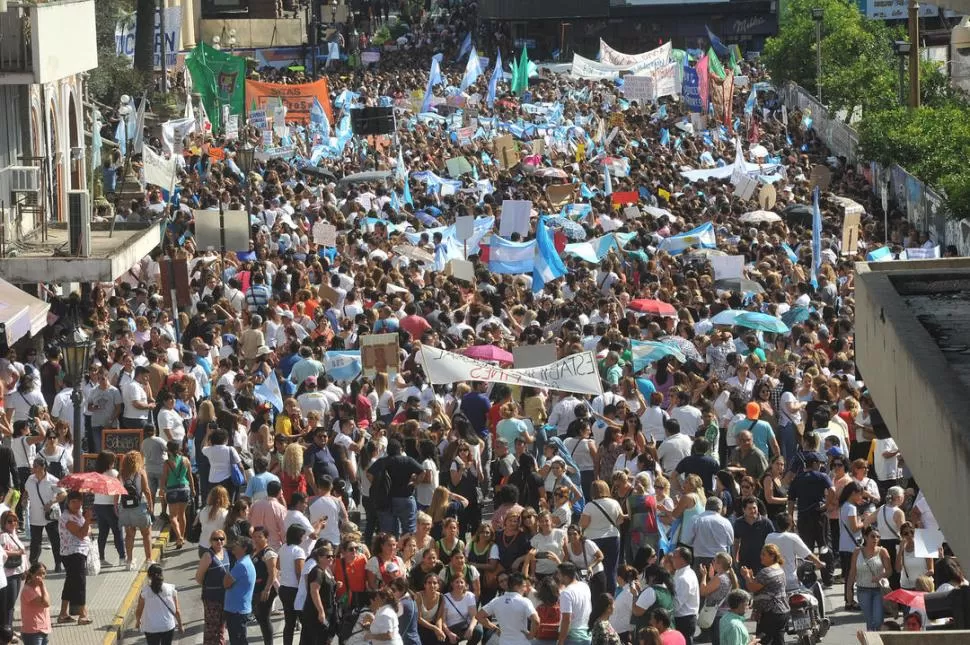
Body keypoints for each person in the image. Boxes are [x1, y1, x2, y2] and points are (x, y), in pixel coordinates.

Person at [580, 480, 625, 594]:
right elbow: (620, 520)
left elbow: (583, 524)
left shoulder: (589, 506)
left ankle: (598, 593)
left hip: (593, 539)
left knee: (596, 568)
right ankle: (611, 594)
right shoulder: (614, 503)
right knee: (611, 569)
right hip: (612, 536)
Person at [740, 544, 789, 645]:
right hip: (782, 611)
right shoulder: (778, 568)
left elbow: (752, 587)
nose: (761, 557)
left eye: (764, 554)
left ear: (772, 556)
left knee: (761, 641)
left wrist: (746, 576)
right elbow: (762, 585)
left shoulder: (766, 572)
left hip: (770, 613)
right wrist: (752, 577)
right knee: (778, 641)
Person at [56, 491, 92, 625]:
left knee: (70, 582)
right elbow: (82, 533)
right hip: (72, 553)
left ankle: (63, 613)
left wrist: (86, 524)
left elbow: (88, 531)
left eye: (79, 501)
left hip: (80, 551)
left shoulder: (79, 514)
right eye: (73, 502)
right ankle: (82, 614)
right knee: (80, 583)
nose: (76, 504)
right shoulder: (66, 517)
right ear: (68, 503)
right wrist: (87, 521)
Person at [764, 513, 825, 590]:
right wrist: (819, 563)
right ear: (790, 524)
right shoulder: (792, 537)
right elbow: (808, 554)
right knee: (809, 593)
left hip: (772, 580)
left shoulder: (769, 537)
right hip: (790, 581)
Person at [847, 526, 891, 632]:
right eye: (872, 536)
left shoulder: (883, 551)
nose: (875, 539)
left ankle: (877, 638)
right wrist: (849, 590)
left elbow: (889, 571)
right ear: (865, 537)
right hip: (862, 590)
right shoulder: (857, 552)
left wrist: (879, 577)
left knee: (878, 620)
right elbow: (852, 572)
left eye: (878, 537)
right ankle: (871, 638)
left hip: (879, 590)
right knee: (870, 621)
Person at [24, 458, 64, 572]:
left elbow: (63, 494)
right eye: (33, 466)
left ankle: (58, 563)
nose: (33, 468)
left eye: (35, 466)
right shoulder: (30, 479)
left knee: (55, 541)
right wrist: (24, 499)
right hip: (35, 516)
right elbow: (26, 491)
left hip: (50, 516)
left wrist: (51, 502)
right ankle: (33, 565)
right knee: (35, 542)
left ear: (43, 467)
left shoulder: (52, 480)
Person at [476, 572, 539, 645]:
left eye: (506, 580)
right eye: (524, 586)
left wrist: (495, 629)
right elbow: (536, 620)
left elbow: (479, 616)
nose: (525, 589)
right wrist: (531, 635)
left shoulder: (496, 601)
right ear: (516, 586)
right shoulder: (525, 601)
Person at [118, 450, 154, 571]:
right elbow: (146, 490)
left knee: (129, 535)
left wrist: (115, 506)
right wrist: (151, 505)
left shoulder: (121, 474)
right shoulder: (141, 472)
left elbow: (117, 491)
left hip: (125, 508)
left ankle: (129, 562)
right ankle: (149, 560)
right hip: (139, 506)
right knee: (146, 534)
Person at [194, 529, 231, 645]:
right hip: (211, 598)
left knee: (221, 626)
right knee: (212, 628)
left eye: (221, 539)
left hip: (225, 596)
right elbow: (199, 578)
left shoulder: (226, 553)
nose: (219, 541)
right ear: (211, 541)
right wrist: (210, 586)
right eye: (216, 539)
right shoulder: (207, 556)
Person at [135, 563, 183, 645]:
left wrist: (138, 622)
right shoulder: (171, 589)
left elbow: (139, 610)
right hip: (167, 626)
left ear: (149, 576)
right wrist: (180, 625)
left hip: (151, 627)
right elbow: (177, 611)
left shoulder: (145, 592)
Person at [92, 451, 126, 566]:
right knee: (117, 532)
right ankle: (122, 557)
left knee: (102, 533)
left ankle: (101, 558)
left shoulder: (96, 474)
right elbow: (119, 490)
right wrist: (116, 505)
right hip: (110, 505)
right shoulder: (114, 473)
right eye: (113, 461)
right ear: (109, 463)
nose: (114, 463)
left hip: (98, 504)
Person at [300, 543, 338, 645]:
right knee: (317, 639)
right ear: (320, 558)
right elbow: (314, 592)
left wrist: (336, 585)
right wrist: (321, 612)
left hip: (327, 610)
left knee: (324, 639)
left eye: (332, 556)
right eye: (328, 556)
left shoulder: (326, 570)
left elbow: (325, 588)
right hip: (315, 613)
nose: (331, 558)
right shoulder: (317, 572)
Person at [697, 553, 738, 645]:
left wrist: (704, 575)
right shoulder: (728, 576)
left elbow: (703, 591)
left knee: (717, 641)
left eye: (714, 561)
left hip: (717, 615)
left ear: (719, 564)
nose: (712, 562)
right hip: (726, 613)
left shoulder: (719, 578)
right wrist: (712, 577)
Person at [160, 439, 194, 549]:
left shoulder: (167, 463)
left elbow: (164, 477)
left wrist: (161, 489)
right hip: (184, 489)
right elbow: (190, 476)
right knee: (182, 514)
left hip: (172, 490)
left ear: (168, 450)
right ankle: (182, 537)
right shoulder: (185, 460)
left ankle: (179, 537)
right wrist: (193, 489)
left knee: (173, 516)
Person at [224, 536, 257, 645]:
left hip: (237, 611)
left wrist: (226, 571)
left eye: (237, 544)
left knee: (238, 641)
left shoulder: (241, 565)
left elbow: (226, 583)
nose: (234, 546)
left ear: (244, 548)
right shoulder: (243, 562)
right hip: (238, 609)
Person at [278, 525, 307, 645]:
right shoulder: (298, 551)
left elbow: (278, 565)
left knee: (289, 623)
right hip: (295, 590)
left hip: (284, 588)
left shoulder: (283, 547)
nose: (304, 538)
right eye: (302, 536)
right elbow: (300, 572)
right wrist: (304, 591)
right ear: (298, 536)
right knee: (305, 623)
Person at [691, 498, 735, 571]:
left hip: (700, 559)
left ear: (706, 506)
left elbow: (688, 539)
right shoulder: (725, 522)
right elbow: (730, 541)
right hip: (720, 560)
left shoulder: (696, 519)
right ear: (720, 508)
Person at [252, 527, 279, 645]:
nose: (256, 539)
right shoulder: (255, 551)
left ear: (266, 538)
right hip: (256, 588)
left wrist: (267, 589)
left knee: (264, 617)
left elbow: (273, 573)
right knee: (259, 616)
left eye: (260, 537)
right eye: (254, 537)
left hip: (266, 589)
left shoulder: (269, 553)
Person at [0, 511, 25, 633]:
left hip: (17, 571)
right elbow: (2, 552)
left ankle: (8, 628)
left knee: (12, 602)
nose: (13, 523)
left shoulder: (14, 534)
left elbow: (23, 554)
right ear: (3, 523)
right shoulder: (3, 536)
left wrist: (25, 570)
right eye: (9, 521)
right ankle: (7, 630)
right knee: (9, 604)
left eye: (15, 520)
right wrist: (17, 552)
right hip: (9, 574)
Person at [670, 547, 700, 645]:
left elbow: (676, 604)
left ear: (682, 560)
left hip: (684, 620)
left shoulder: (684, 578)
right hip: (684, 618)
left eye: (674, 557)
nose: (672, 559)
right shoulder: (683, 572)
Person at [557, 562, 592, 645]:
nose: (557, 576)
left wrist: (561, 641)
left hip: (572, 638)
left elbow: (566, 619)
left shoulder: (566, 593)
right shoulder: (585, 586)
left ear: (565, 577)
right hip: (587, 636)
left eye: (559, 574)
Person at [443, 574, 481, 645]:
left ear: (465, 584)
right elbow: (443, 621)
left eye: (461, 582)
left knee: (478, 630)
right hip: (450, 629)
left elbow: (474, 616)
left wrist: (470, 629)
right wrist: (449, 634)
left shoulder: (469, 596)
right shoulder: (445, 597)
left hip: (464, 627)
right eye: (457, 582)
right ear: (452, 584)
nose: (459, 584)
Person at [20, 562, 51, 645]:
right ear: (32, 574)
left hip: (43, 629)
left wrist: (42, 586)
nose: (41, 576)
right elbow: (46, 603)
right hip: (33, 631)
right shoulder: (28, 590)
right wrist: (42, 585)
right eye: (38, 574)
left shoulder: (40, 587)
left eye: (43, 573)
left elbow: (48, 601)